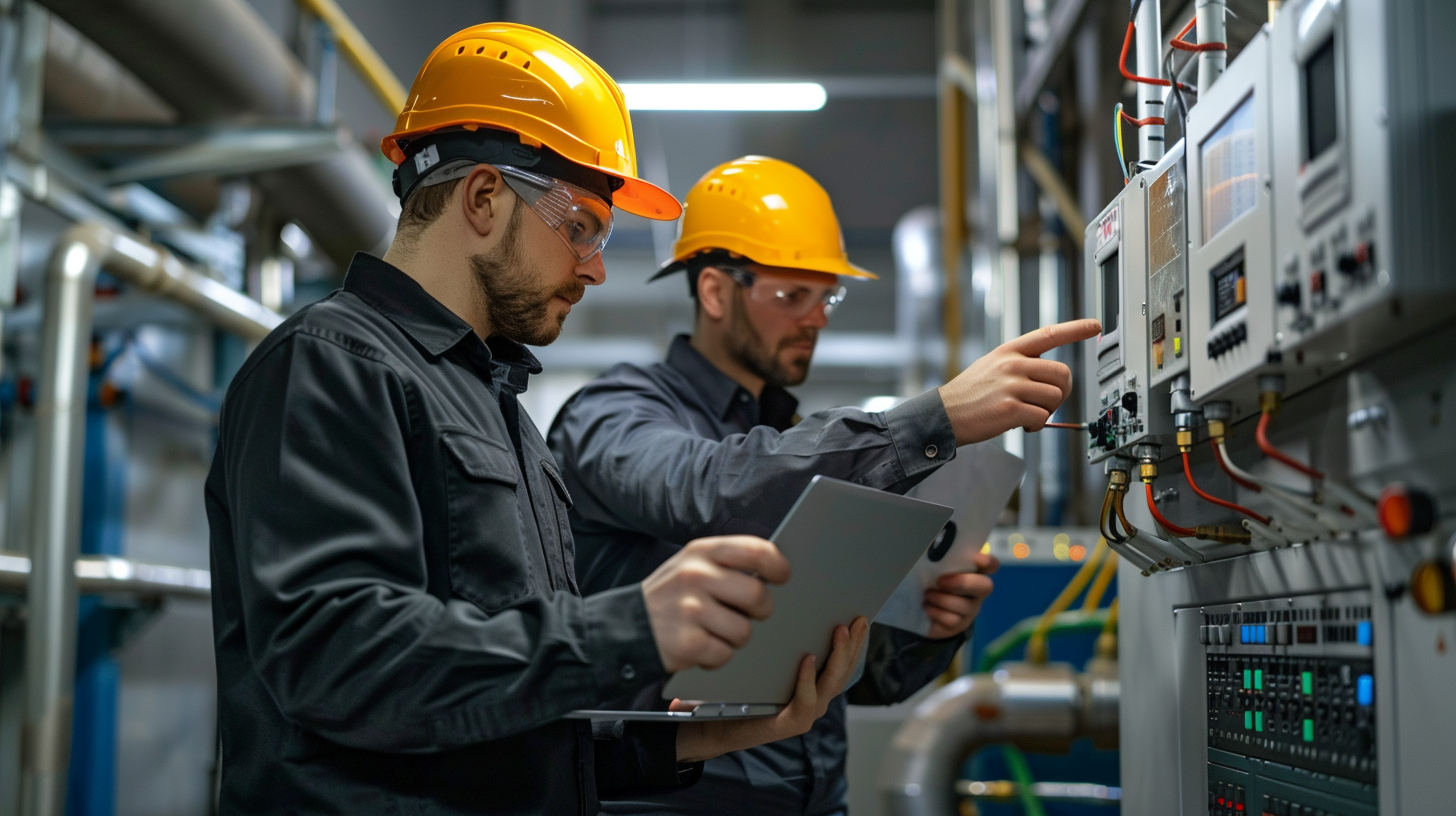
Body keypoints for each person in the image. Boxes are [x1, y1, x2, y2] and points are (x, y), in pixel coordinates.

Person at [205, 29, 869, 816]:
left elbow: (509, 726)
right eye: (581, 226)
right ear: (484, 198)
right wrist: (630, 629)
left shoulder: (504, 413)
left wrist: (699, 739)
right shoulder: (331, 363)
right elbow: (338, 664)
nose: (596, 267)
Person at [548, 156, 1100, 815]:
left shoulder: (799, 445)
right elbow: (708, 489)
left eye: (826, 297)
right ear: (716, 292)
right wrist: (934, 419)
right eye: (793, 296)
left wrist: (927, 626)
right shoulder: (613, 413)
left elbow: (846, 678)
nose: (817, 318)